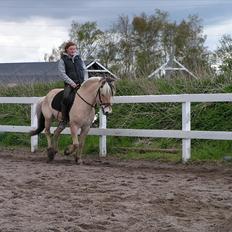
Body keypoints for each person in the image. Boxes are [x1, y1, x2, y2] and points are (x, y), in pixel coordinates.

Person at [58, 41, 87, 128]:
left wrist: (85, 81)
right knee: (66, 98)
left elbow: (85, 70)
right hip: (70, 85)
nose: (73, 50)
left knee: (91, 98)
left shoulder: (79, 58)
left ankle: (90, 118)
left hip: (82, 84)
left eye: (74, 49)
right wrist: (72, 83)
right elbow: (62, 74)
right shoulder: (63, 60)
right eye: (71, 49)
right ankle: (64, 120)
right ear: (67, 49)